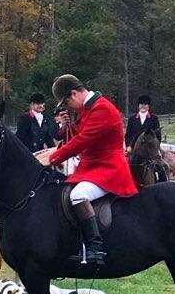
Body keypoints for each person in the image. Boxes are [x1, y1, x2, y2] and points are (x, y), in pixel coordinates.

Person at [47, 74, 138, 268]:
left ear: (74, 94)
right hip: (93, 166)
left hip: (109, 169)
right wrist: (68, 126)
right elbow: (82, 136)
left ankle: (96, 248)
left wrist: (52, 158)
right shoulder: (89, 108)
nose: (69, 107)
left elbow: (83, 140)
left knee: (78, 195)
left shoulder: (102, 108)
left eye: (67, 103)